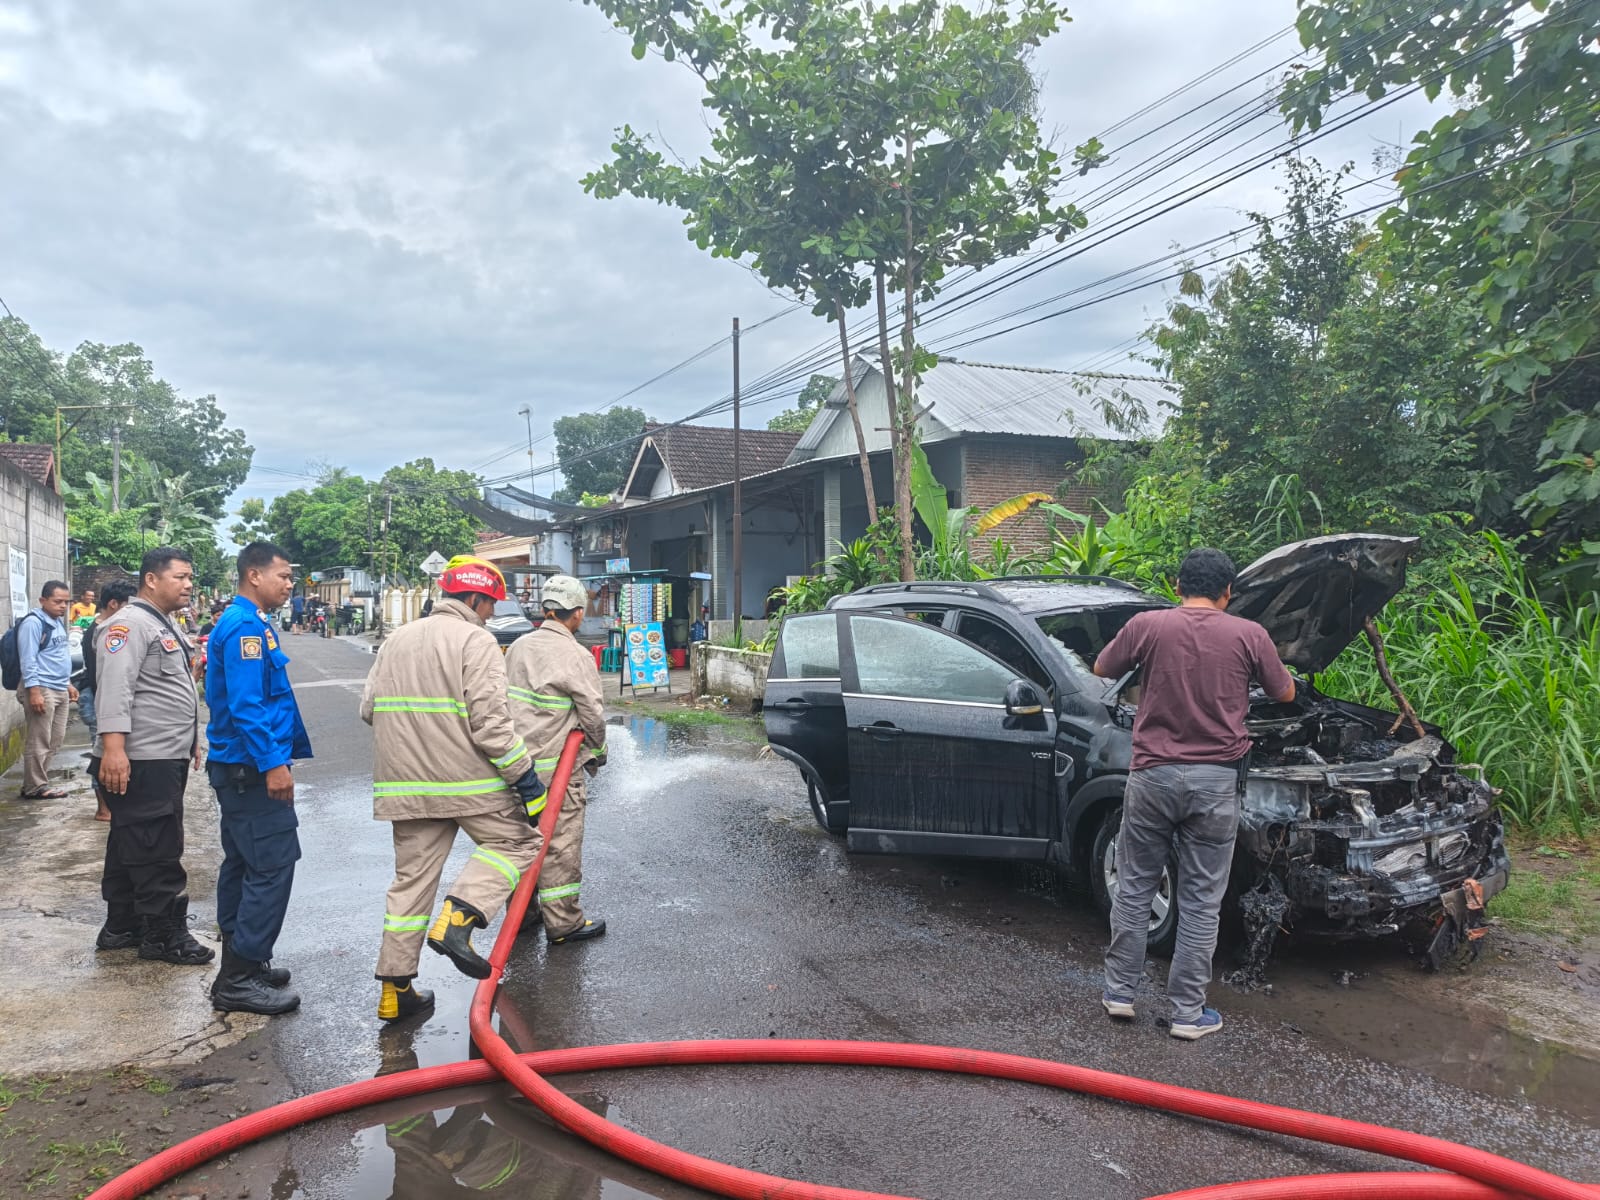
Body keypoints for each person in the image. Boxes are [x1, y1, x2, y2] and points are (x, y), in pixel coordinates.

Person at [1093, 548, 1295, 1040]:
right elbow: (1286, 693)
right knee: (1202, 900)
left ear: (1176, 583)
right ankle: (1187, 1014)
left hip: (1152, 776)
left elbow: (1102, 666)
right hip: (1215, 782)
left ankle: (1120, 992)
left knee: (1136, 883)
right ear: (1229, 592)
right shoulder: (1250, 634)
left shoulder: (1149, 625)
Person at [359, 555, 546, 1023]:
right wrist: (525, 777)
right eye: (490, 606)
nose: (489, 614)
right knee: (517, 842)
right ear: (477, 599)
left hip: (405, 786)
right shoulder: (476, 641)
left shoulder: (395, 639)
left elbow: (368, 709)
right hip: (469, 783)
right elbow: (491, 726)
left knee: (410, 882)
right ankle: (460, 917)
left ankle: (395, 989)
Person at [92, 547, 213, 966]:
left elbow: (164, 692)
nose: (188, 584)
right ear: (151, 579)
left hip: (162, 753)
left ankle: (122, 925)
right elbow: (115, 687)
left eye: (189, 577)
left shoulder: (161, 624)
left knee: (131, 840)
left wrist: (189, 739)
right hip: (140, 757)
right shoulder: (127, 624)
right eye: (180, 577)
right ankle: (164, 936)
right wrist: (113, 749)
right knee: (156, 844)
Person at [204, 541, 311, 1016]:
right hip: (250, 769)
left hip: (239, 768)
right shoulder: (245, 625)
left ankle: (244, 960)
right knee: (270, 866)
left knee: (244, 864)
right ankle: (239, 978)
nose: (290, 584)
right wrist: (274, 763)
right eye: (284, 576)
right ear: (254, 575)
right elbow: (248, 707)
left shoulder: (249, 621)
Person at [503, 574, 608, 944]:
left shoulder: (517, 647)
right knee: (560, 843)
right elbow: (592, 716)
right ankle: (564, 923)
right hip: (556, 772)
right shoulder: (576, 655)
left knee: (521, 840)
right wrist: (598, 752)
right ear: (577, 613)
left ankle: (523, 916)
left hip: (515, 768)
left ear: (546, 610)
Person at [16, 580, 78, 800]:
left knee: (55, 739)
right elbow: (28, 659)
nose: (63, 606)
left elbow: (58, 655)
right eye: (58, 601)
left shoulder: (57, 622)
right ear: (43, 601)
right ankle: (35, 787)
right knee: (39, 740)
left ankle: (36, 783)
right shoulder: (33, 624)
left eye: (66, 602)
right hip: (41, 687)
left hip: (59, 687)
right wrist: (34, 692)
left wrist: (68, 683)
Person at [81, 580, 137, 822]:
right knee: (102, 752)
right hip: (96, 698)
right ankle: (104, 809)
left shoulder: (105, 627)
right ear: (113, 604)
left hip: (97, 697)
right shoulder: (105, 631)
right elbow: (101, 678)